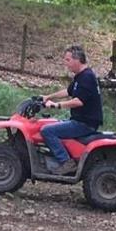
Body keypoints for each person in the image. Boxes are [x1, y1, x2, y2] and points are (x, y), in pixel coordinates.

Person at [39, 45, 103, 173]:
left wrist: (55, 105)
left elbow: (78, 101)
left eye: (68, 60)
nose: (65, 63)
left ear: (77, 60)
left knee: (47, 131)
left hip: (84, 123)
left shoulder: (87, 77)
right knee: (52, 123)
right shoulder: (81, 76)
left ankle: (66, 162)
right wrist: (47, 97)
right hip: (80, 121)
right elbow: (68, 91)